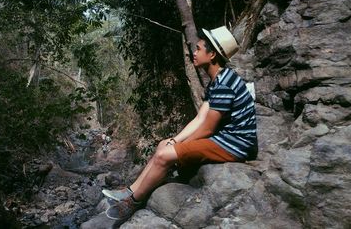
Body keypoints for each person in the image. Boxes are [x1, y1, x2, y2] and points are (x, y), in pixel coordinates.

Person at [103, 26, 258, 221]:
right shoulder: (218, 81)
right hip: (226, 138)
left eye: (199, 49)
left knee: (165, 155)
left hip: (236, 144)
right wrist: (175, 140)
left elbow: (208, 128)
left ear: (211, 55)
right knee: (163, 145)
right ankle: (130, 190)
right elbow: (200, 118)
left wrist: (180, 146)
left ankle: (133, 202)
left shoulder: (224, 84)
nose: (194, 53)